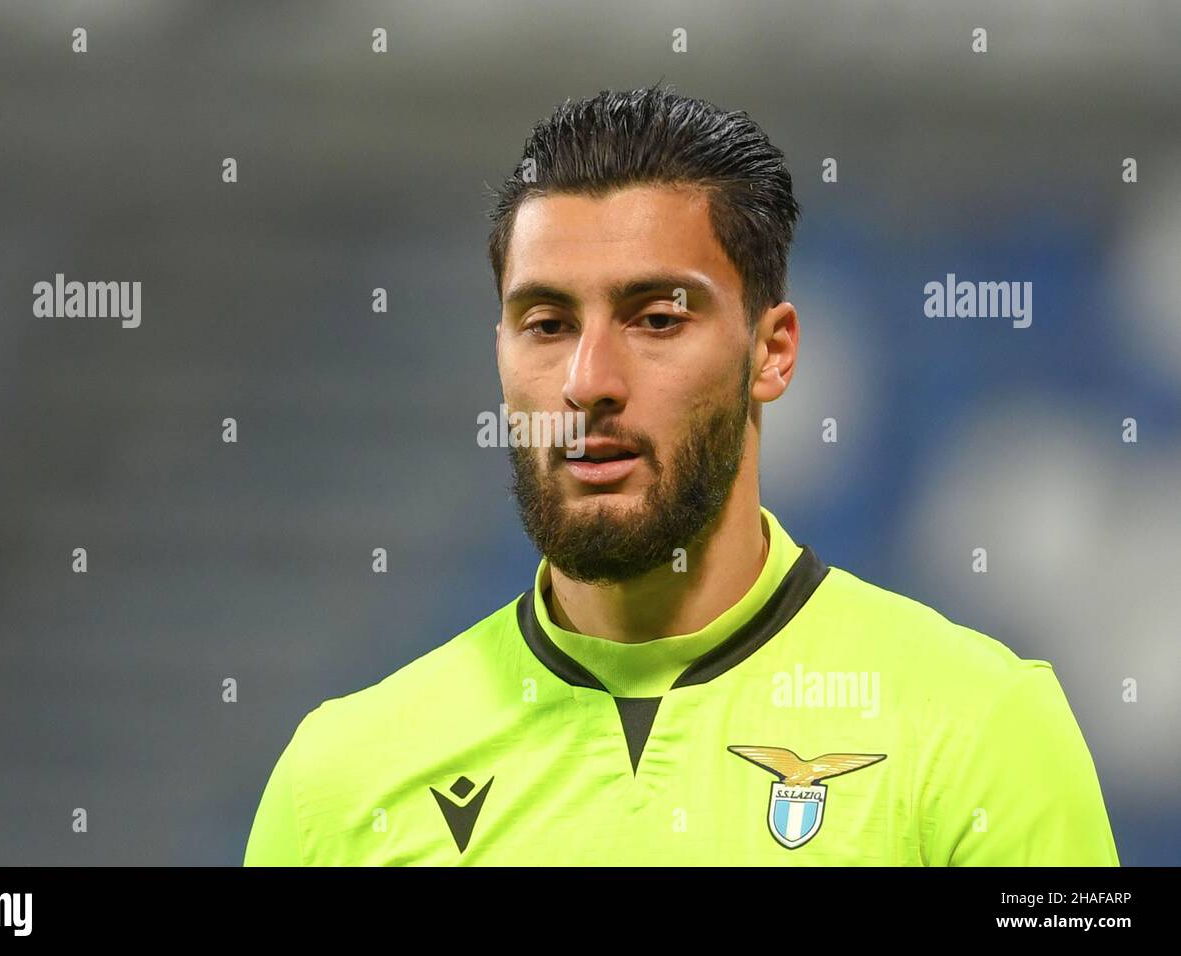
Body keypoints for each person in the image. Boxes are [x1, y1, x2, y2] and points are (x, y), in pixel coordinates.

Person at [244, 84, 1118, 866]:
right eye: (546, 323)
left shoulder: (981, 730)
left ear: (770, 353)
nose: (588, 381)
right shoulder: (340, 784)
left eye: (656, 318)